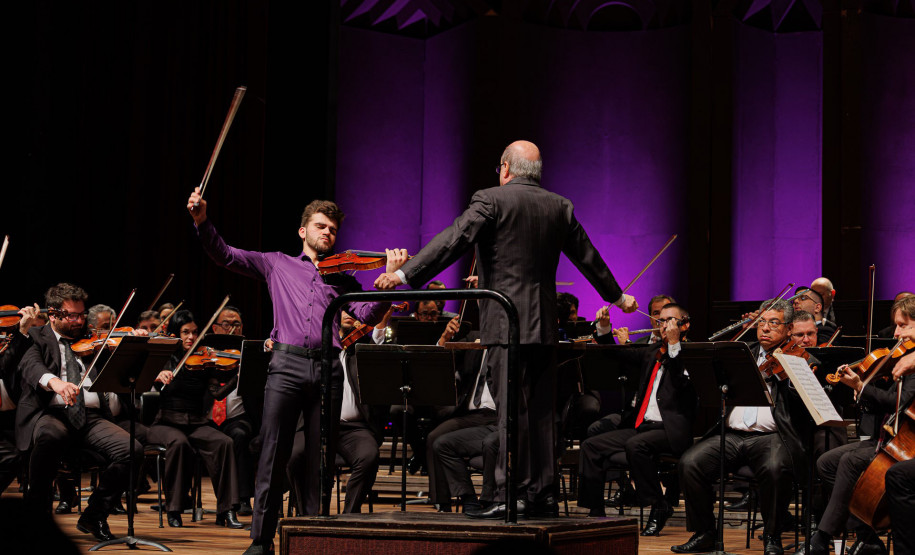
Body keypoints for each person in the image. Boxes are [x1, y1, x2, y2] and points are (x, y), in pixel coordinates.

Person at [375, 140, 637, 519]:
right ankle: (542, 496)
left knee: (508, 414)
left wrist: (403, 274)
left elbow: (453, 240)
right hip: (544, 327)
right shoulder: (559, 206)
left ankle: (503, 495)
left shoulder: (491, 200)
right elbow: (588, 256)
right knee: (542, 416)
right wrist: (616, 296)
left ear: (504, 168)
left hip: (504, 323)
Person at [187, 189, 407, 555]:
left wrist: (388, 277)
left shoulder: (344, 278)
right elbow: (224, 255)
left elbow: (367, 315)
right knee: (273, 454)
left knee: (321, 459)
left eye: (333, 230)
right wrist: (202, 221)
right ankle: (260, 541)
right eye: (321, 226)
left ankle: (313, 538)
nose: (328, 234)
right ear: (302, 232)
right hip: (286, 365)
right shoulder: (276, 263)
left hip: (327, 367)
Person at [673, 299, 811, 555]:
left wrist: (787, 377)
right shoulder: (739, 352)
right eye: (761, 322)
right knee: (690, 463)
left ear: (789, 329)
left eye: (773, 323)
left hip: (772, 436)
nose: (765, 328)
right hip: (733, 434)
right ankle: (705, 532)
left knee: (774, 468)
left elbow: (804, 409)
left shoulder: (799, 359)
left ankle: (772, 537)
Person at [16, 283, 142, 542]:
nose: (79, 321)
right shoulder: (36, 336)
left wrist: (136, 346)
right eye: (71, 315)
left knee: (132, 450)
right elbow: (31, 366)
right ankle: (36, 519)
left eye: (82, 314)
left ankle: (94, 516)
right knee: (50, 437)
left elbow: (125, 372)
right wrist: (56, 383)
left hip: (91, 417)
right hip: (50, 413)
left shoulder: (95, 340)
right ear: (53, 315)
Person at [805, 296, 915, 555]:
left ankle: (823, 536)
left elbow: (895, 403)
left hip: (905, 443)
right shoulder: (904, 358)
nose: (896, 332)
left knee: (850, 462)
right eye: (896, 325)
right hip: (890, 438)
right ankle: (865, 534)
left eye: (904, 325)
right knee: (827, 462)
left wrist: (861, 387)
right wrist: (865, 389)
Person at [578, 303, 695, 537]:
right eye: (661, 321)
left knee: (636, 445)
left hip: (671, 430)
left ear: (685, 325)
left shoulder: (693, 353)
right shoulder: (652, 351)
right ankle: (596, 512)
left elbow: (682, 384)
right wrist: (604, 328)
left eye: (671, 320)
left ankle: (658, 505)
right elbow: (615, 354)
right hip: (643, 427)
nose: (664, 326)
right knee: (590, 445)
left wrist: (674, 345)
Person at [146, 310, 242, 529]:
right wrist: (156, 374)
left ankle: (226, 510)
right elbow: (140, 382)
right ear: (175, 334)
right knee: (178, 444)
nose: (191, 337)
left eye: (195, 332)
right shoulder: (162, 358)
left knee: (224, 442)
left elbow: (217, 394)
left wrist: (238, 377)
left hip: (196, 423)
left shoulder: (204, 361)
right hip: (165, 423)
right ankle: (174, 509)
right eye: (185, 332)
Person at [208, 306, 257, 516]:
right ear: (215, 327)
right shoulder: (204, 352)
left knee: (239, 435)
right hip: (206, 418)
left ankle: (243, 498)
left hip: (238, 416)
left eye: (236, 324)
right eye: (226, 324)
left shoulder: (248, 353)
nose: (231, 329)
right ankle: (222, 499)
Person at [0, 304, 40, 495]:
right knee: (11, 457)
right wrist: (22, 331)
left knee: (24, 455)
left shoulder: (13, 341)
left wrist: (24, 330)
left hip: (13, 414)